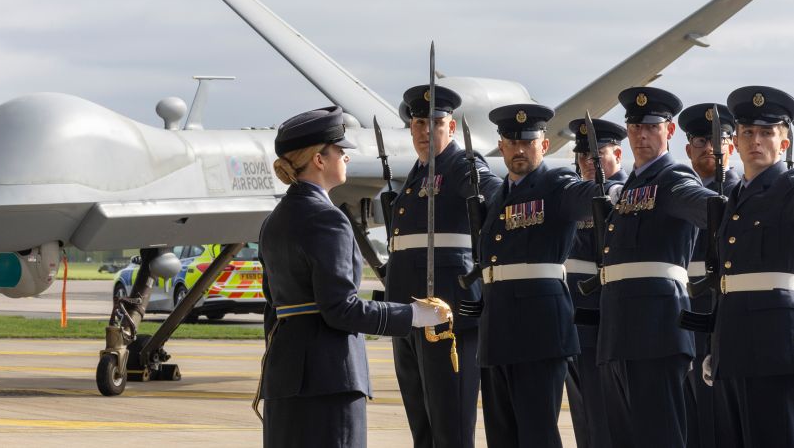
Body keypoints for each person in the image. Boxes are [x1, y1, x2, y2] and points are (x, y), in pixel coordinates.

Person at [257, 106, 451, 448]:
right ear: (319, 159)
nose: (346, 157)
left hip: (283, 378)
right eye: (340, 150)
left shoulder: (274, 221)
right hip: (329, 379)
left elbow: (273, 310)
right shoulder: (327, 219)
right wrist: (414, 315)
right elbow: (340, 309)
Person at [477, 103, 611, 447]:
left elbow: (583, 194)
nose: (520, 149)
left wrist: (605, 188)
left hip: (539, 332)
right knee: (502, 435)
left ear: (545, 146)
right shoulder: (497, 194)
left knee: (537, 434)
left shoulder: (556, 183)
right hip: (497, 328)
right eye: (512, 141)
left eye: (529, 142)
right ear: (501, 145)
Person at [598, 87, 717, 448]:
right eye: (635, 127)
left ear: (669, 130)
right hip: (619, 329)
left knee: (659, 435)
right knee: (626, 437)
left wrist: (725, 208)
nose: (642, 135)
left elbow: (702, 204)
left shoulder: (673, 177)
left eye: (651, 127)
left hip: (657, 331)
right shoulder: (631, 185)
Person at [386, 85, 500, 448]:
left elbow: (497, 194)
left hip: (446, 316)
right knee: (423, 426)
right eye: (418, 123)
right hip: (409, 314)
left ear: (451, 128)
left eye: (434, 122)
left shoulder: (462, 166)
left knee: (449, 427)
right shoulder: (417, 175)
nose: (424, 131)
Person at [706, 86, 794, 447]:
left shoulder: (789, 189)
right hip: (733, 342)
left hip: (776, 345)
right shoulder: (733, 198)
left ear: (784, 144)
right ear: (735, 142)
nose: (755, 140)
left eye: (766, 132)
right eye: (747, 133)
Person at [677, 103, 740, 448]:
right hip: (683, 307)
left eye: (719, 140)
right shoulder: (679, 192)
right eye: (700, 141)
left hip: (722, 306)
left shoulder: (740, 192)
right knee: (689, 409)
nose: (710, 148)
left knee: (720, 412)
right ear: (688, 149)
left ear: (731, 146)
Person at [565, 117, 628, 448]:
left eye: (598, 153)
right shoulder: (575, 198)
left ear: (617, 153)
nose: (590, 161)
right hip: (574, 323)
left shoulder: (626, 196)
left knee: (607, 418)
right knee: (583, 416)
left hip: (606, 321)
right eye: (583, 155)